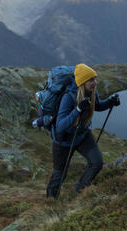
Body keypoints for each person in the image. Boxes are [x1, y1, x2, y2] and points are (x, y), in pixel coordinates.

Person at [46, 63, 121, 198]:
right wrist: (78, 110)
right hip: (63, 141)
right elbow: (60, 125)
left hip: (82, 135)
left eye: (95, 79)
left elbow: (97, 105)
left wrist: (110, 102)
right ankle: (50, 201)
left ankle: (80, 190)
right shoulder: (68, 97)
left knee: (96, 163)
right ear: (82, 82)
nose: (95, 82)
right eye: (91, 80)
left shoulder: (92, 91)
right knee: (59, 175)